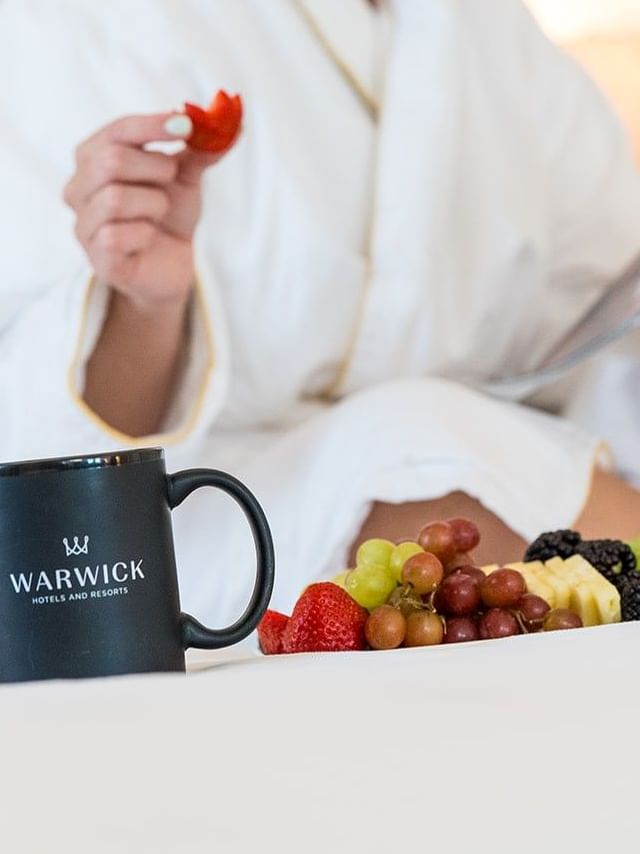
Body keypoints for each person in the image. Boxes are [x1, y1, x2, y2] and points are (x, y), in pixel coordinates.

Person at [1, 0, 640, 623]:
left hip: (513, 446)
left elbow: (606, 316)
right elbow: (52, 465)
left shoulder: (490, 28)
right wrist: (143, 300)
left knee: (444, 437)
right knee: (421, 438)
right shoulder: (71, 24)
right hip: (203, 522)